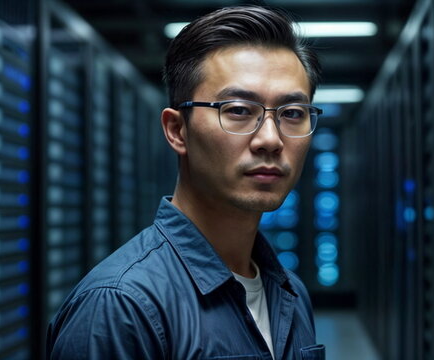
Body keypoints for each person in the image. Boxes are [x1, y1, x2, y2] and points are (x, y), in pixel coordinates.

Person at [47, 5, 325, 359]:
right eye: (238, 110)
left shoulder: (291, 293)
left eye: (292, 114)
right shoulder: (120, 307)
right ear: (177, 130)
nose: (270, 139)